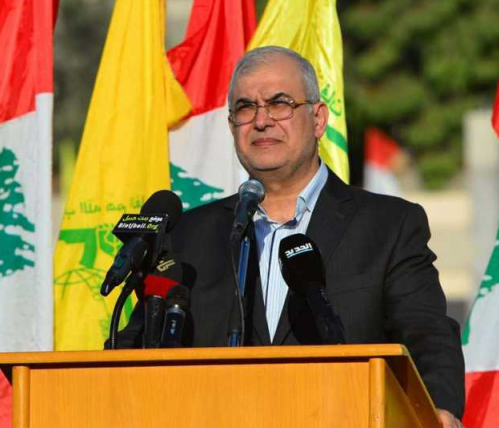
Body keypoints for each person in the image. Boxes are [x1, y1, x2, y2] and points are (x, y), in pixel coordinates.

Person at [119, 46, 465, 425]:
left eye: (279, 104)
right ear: (232, 126)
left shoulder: (388, 225)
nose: (261, 121)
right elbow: (139, 347)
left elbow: (427, 334)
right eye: (245, 108)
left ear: (318, 119)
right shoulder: (188, 237)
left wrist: (439, 411)